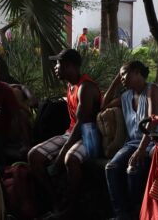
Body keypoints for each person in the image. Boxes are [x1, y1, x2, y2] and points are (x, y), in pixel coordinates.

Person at [28, 49, 101, 219]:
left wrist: (62, 154)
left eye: (58, 64)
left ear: (68, 66)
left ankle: (71, 207)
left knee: (70, 159)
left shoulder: (86, 87)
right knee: (34, 156)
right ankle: (55, 202)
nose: (55, 67)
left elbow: (82, 123)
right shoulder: (70, 84)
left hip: (90, 135)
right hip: (72, 133)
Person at [102, 60, 158, 220]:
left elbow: (152, 121)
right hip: (133, 143)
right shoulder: (126, 96)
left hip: (156, 142)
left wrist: (141, 150)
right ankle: (121, 214)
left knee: (133, 169)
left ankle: (137, 213)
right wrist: (115, 82)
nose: (122, 79)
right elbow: (103, 105)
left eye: (124, 74)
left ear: (137, 72)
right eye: (120, 76)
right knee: (111, 167)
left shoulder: (152, 90)